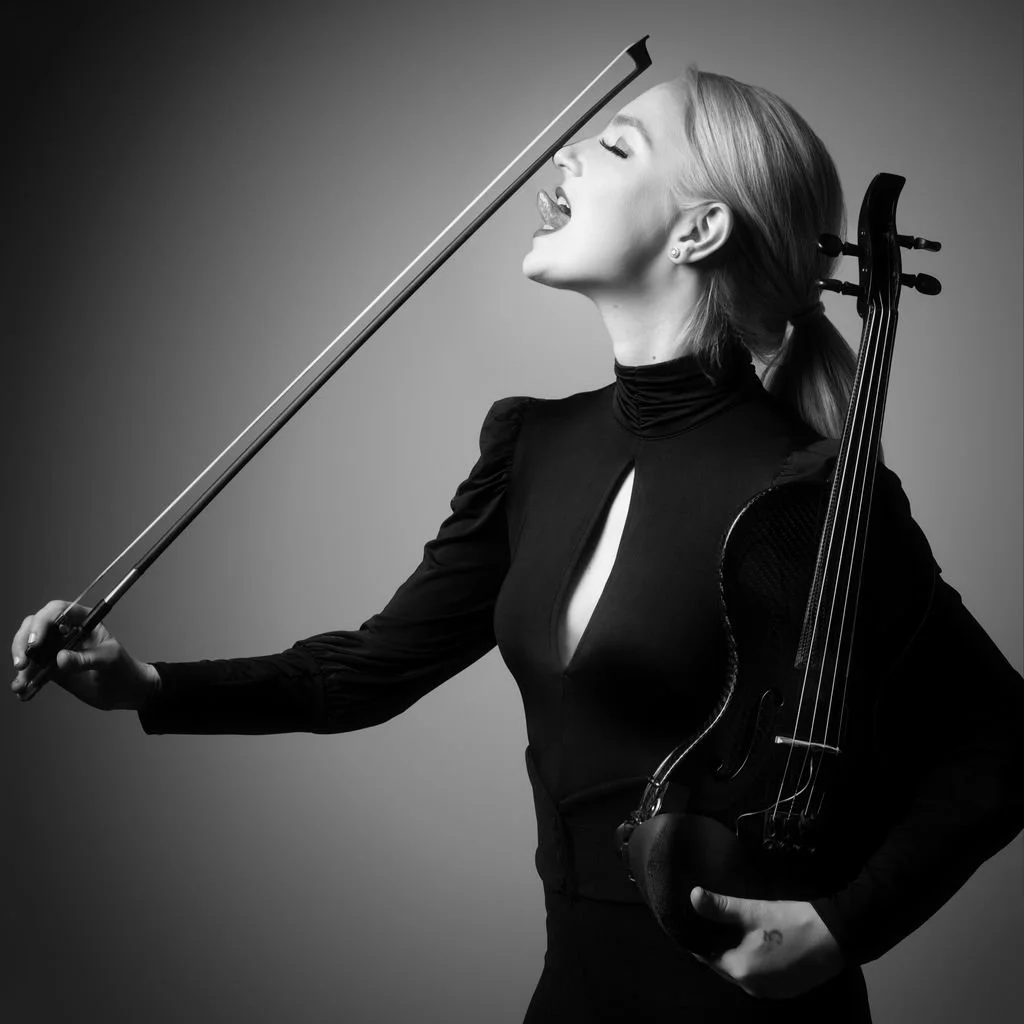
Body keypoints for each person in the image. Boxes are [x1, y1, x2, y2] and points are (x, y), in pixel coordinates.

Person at [10, 67, 1024, 1022]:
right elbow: (372, 669)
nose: (564, 155)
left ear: (699, 229)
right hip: (574, 991)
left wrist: (842, 928)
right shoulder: (534, 443)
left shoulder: (809, 496)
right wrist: (148, 686)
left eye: (616, 146)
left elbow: (1004, 742)